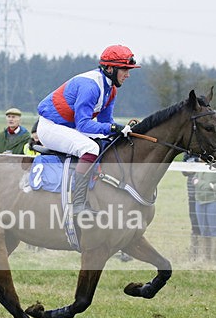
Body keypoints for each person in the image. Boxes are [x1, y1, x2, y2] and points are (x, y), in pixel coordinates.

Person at [36, 44, 140, 216]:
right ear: (109, 68)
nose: (127, 75)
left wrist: (120, 130)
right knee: (91, 148)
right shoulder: (90, 86)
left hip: (71, 127)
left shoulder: (111, 89)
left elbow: (106, 122)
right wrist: (113, 128)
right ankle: (78, 204)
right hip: (51, 127)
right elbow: (84, 124)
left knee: (111, 141)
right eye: (124, 70)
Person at [182, 153, 201, 258]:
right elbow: (184, 171)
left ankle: (205, 249)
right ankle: (195, 249)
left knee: (202, 221)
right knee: (194, 220)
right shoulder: (187, 155)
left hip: (203, 193)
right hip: (191, 193)